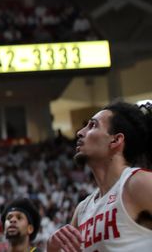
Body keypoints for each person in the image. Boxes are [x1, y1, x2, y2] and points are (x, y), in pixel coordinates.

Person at [47, 100, 152, 252]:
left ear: (115, 140)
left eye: (93, 125)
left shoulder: (137, 183)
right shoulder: (82, 209)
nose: (80, 132)